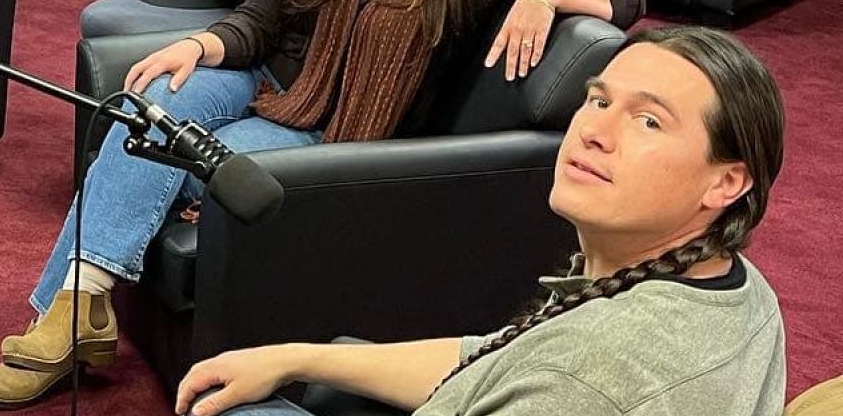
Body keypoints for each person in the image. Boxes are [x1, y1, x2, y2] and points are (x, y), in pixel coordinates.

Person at [0, 0, 648, 409]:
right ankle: (81, 304)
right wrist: (200, 48)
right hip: (265, 79)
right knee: (147, 105)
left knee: (187, 154)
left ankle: (68, 316)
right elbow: (260, 21)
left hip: (334, 132)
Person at [175, 25, 786, 416]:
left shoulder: (581, 385)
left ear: (726, 181)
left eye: (648, 121)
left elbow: (549, 376)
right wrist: (294, 357)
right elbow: (498, 363)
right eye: (599, 101)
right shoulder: (740, 291)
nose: (594, 132)